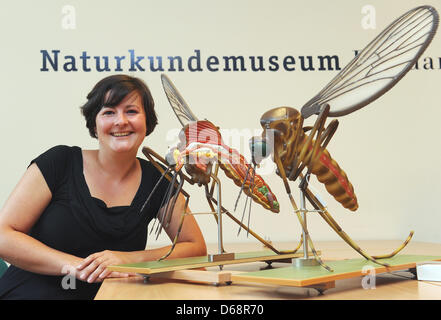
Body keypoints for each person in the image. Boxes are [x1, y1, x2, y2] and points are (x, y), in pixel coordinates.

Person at [0, 75, 206, 299]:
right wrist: (79, 267)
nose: (121, 121)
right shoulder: (59, 162)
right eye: (108, 112)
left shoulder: (158, 180)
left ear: (147, 122)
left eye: (131, 111)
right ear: (94, 124)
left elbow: (194, 246)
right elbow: (4, 236)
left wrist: (127, 259)